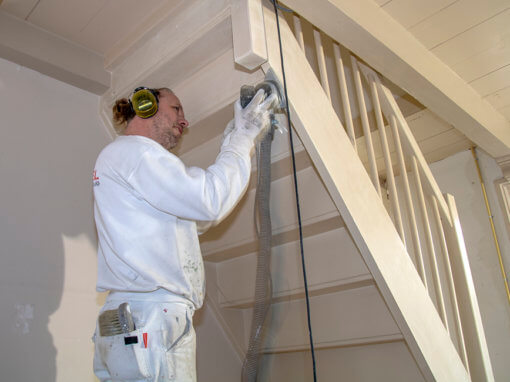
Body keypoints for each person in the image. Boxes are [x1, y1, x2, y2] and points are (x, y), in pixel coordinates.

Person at [92, 86, 277, 381]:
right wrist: (242, 139)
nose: (185, 121)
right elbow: (208, 202)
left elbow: (193, 218)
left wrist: (230, 145)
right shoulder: (137, 152)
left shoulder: (122, 160)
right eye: (176, 108)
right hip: (152, 317)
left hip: (128, 322)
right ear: (145, 105)